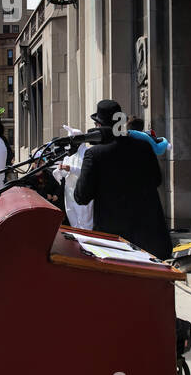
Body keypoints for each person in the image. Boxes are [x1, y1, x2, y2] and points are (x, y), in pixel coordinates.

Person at [75, 99, 175, 259]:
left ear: (99, 127)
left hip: (116, 245)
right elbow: (156, 180)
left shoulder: (95, 154)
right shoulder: (144, 146)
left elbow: (81, 196)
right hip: (149, 240)